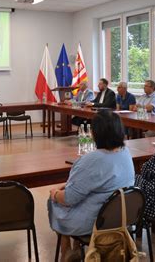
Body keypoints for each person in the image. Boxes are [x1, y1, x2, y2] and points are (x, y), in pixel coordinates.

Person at [48, 110, 135, 261]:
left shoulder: (91, 160)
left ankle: (66, 249)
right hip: (121, 216)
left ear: (95, 133)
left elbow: (68, 198)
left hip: (95, 222)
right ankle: (76, 247)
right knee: (82, 197)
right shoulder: (125, 152)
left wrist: (54, 193)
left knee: (54, 202)